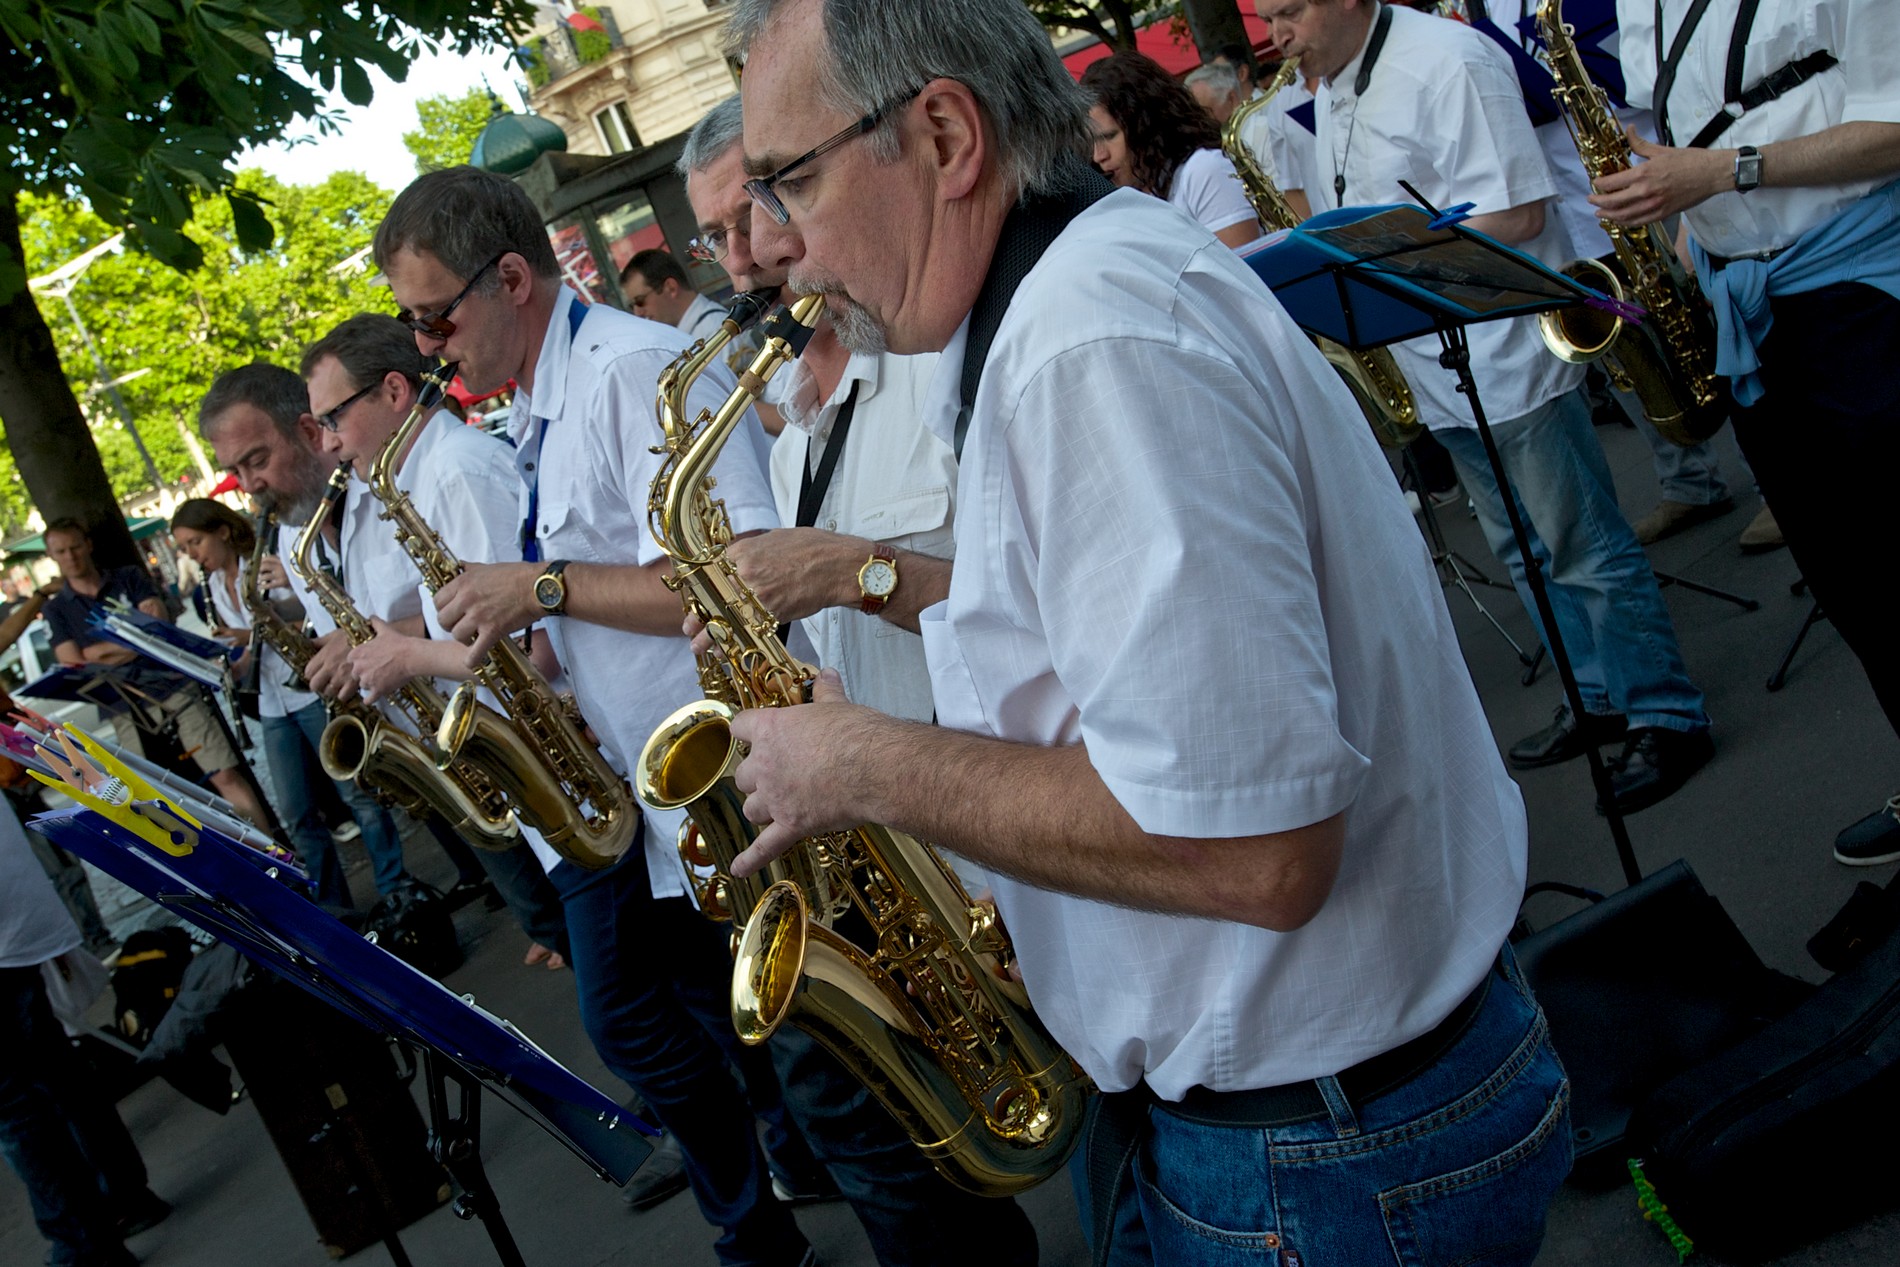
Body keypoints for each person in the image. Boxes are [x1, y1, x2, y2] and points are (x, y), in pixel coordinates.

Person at [724, 1, 1570, 1263]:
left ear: (947, 134)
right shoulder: (1076, 291)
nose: (778, 247)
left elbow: (1258, 851)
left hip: (1313, 1156)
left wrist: (859, 764)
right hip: (1329, 1119)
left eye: (788, 181)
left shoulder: (1088, 343)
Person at [376, 163, 837, 1267]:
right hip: (686, 792)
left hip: (756, 766)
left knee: (849, 1105)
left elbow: (737, 574)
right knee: (811, 1088)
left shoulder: (630, 372)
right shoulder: (550, 395)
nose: (425, 344)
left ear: (513, 280)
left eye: (433, 316)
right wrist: (553, 653)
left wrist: (539, 590)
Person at [680, 96, 1042, 1263]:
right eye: (718, 239)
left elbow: (1026, 599)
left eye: (761, 210)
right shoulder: (788, 430)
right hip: (886, 830)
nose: (745, 258)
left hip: (1001, 817)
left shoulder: (941, 367)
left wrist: (848, 570)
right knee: (876, 1137)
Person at [1268, 0, 1714, 812]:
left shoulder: (1452, 60)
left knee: (1581, 546)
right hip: (1437, 361)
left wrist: (1393, 254)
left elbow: (1519, 212)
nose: (1275, 35)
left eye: (1288, 12)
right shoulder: (1332, 83)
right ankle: (1596, 696)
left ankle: (1666, 713)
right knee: (1524, 552)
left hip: (1504, 354)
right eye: (1267, 17)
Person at [1596, 0, 1900, 863]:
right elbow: (1694, 121)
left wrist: (1725, 173)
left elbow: (1896, 124)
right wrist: (1684, 234)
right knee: (1851, 579)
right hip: (1748, 307)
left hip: (1859, 292)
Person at [298, 316, 571, 966]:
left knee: (627, 1013)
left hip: (558, 758)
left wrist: (409, 653)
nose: (331, 446)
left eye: (333, 419)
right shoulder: (418, 479)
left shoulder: (456, 472)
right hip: (535, 763)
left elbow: (539, 654)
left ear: (394, 392)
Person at [196, 365, 488, 907]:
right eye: (235, 469)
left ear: (307, 431)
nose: (249, 485)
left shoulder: (391, 492)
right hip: (422, 747)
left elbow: (480, 604)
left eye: (257, 459)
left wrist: (371, 640)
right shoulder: (290, 538)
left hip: (482, 726)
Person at [1, 797, 170, 1267]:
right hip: (12, 916)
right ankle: (123, 1198)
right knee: (53, 1070)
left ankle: (86, 1245)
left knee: (20, 1105)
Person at [39, 519, 277, 829]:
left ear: (88, 545)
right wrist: (136, 639)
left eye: (74, 547)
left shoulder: (128, 577)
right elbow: (75, 662)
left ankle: (274, 852)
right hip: (123, 708)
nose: (70, 556)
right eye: (61, 551)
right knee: (150, 796)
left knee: (225, 773)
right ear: (52, 556)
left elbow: (159, 630)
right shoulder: (56, 609)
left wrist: (101, 651)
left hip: (173, 688)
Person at [1081, 52, 1264, 250]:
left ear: (1147, 123)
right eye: (1091, 142)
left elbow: (1246, 266)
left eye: (1109, 136)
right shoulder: (1132, 193)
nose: (1099, 156)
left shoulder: (1202, 170)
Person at [619, 248, 728, 340]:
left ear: (671, 288)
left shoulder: (716, 330)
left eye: (640, 301)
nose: (637, 313)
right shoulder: (686, 335)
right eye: (631, 306)